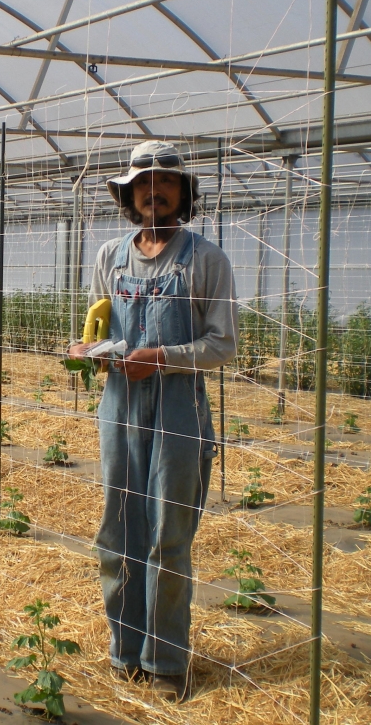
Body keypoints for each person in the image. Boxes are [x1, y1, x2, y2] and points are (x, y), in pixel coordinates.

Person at [68, 140, 238, 702]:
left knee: (168, 536)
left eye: (164, 183)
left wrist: (161, 358)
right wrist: (89, 350)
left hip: (177, 408)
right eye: (143, 184)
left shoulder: (205, 259)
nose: (153, 193)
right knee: (117, 531)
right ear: (130, 196)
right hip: (118, 407)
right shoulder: (109, 257)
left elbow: (222, 345)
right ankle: (125, 651)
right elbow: (100, 325)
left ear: (182, 193)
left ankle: (165, 661)